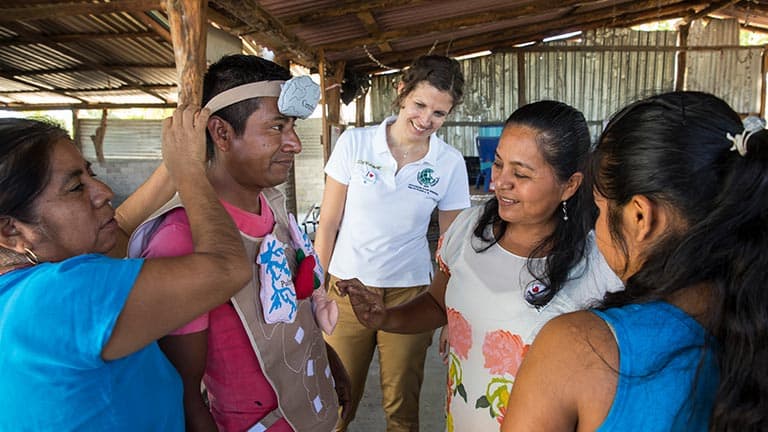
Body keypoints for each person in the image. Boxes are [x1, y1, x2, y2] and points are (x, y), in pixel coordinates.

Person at [337, 100, 623, 431]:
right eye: (499, 164)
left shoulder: (598, 267)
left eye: (521, 173)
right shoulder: (471, 229)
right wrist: (386, 316)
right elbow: (436, 303)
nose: (500, 182)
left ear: (569, 185)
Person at [501, 91, 768, 431]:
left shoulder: (582, 350)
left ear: (641, 217)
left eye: (599, 210)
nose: (501, 182)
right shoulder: (748, 327)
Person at [128, 54, 349, 432]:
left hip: (310, 410)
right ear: (222, 133)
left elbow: (288, 309)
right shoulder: (181, 237)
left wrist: (326, 361)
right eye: (276, 127)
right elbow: (183, 392)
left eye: (292, 126)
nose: (294, 143)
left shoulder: (272, 205)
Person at [0, 108, 252, 430]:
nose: (104, 192)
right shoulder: (65, 293)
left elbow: (119, 228)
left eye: (90, 174)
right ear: (11, 231)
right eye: (76, 188)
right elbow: (227, 268)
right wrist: (190, 173)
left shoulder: (19, 293)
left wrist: (176, 164)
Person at [314, 54, 471, 431]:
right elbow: (329, 222)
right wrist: (316, 286)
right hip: (346, 289)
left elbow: (452, 246)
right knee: (337, 398)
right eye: (420, 105)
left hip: (411, 295)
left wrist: (452, 311)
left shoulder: (448, 163)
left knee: (401, 403)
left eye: (439, 114)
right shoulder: (356, 143)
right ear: (402, 92)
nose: (426, 120)